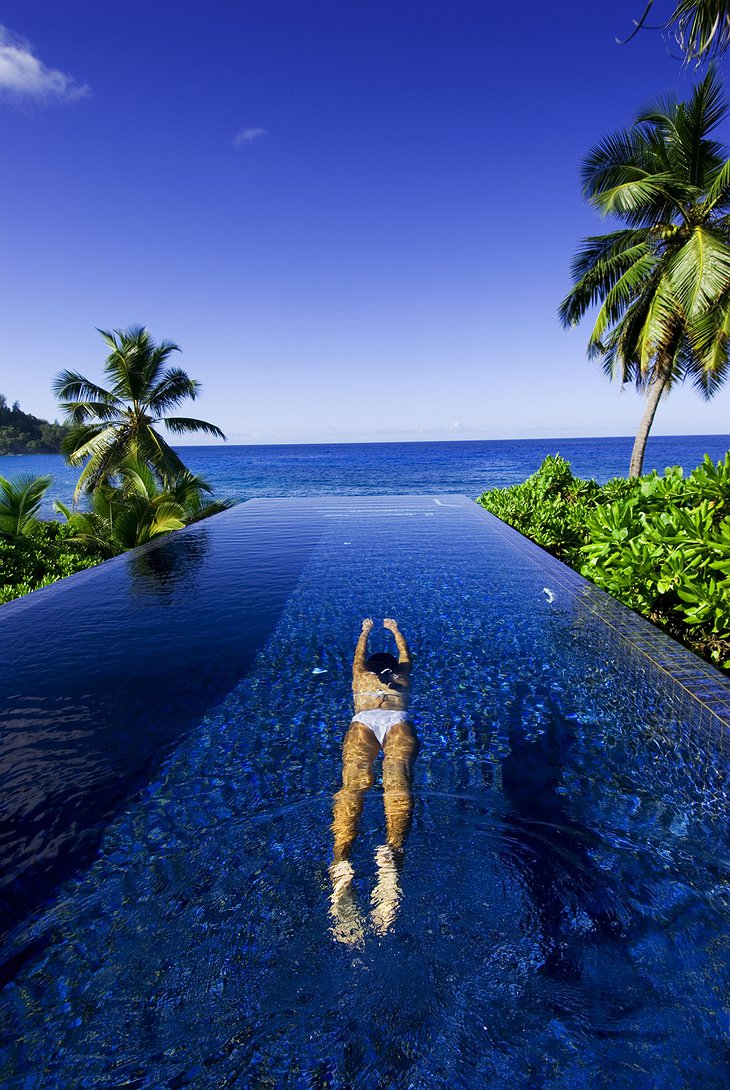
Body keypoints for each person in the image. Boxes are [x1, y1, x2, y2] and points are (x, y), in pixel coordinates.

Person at [329, 618, 418, 944]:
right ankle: (393, 852)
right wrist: (396, 630)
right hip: (397, 722)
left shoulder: (361, 677)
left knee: (352, 787)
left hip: (363, 722)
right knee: (398, 784)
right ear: (393, 667)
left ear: (368, 668)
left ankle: (341, 861)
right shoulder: (403, 678)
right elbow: (406, 656)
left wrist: (365, 630)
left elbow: (357, 655)